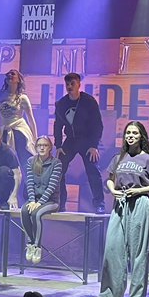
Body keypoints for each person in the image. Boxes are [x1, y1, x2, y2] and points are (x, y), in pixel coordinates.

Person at [99, 121, 149, 297]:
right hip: (120, 204)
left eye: (134, 133)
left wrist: (139, 190)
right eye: (128, 132)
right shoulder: (119, 157)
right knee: (112, 249)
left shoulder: (148, 159)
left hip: (140, 203)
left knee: (138, 252)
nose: (130, 136)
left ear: (141, 136)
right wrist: (113, 190)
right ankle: (111, 295)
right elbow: (110, 179)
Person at [54, 73, 105, 213]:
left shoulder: (88, 101)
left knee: (92, 170)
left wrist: (94, 145)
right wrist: (58, 146)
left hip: (87, 140)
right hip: (70, 140)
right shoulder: (62, 103)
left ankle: (99, 203)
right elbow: (57, 125)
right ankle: (60, 203)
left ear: (79, 85)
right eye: (67, 84)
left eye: (72, 84)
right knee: (58, 169)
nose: (69, 86)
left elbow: (97, 125)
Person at [21, 136, 62, 264]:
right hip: (35, 199)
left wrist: (39, 203)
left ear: (50, 147)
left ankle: (37, 247)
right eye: (39, 145)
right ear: (36, 147)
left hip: (51, 201)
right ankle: (30, 243)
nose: (42, 148)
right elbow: (29, 183)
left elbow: (52, 186)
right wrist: (32, 201)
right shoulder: (31, 161)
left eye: (45, 145)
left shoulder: (56, 163)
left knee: (36, 213)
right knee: (24, 210)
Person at [0, 69, 37, 187]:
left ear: (18, 79)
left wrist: (35, 139)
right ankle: (8, 191)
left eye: (13, 74)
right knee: (6, 162)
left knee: (24, 160)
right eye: (8, 74)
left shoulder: (22, 98)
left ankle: (30, 189)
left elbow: (31, 119)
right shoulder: (1, 95)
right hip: (4, 131)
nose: (9, 75)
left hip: (19, 131)